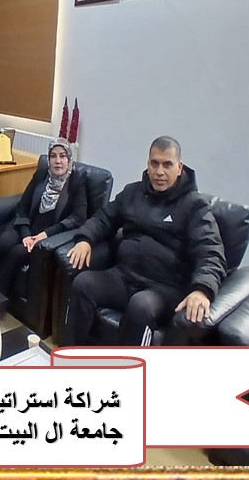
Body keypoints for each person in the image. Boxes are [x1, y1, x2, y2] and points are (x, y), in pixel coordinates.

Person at [61, 136, 226, 347]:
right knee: (83, 284)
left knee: (141, 306)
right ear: (148, 165)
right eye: (154, 163)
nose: (159, 172)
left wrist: (202, 289)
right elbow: (104, 218)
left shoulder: (195, 206)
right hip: (125, 276)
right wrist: (85, 239)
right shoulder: (133, 193)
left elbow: (211, 252)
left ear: (179, 167)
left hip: (165, 288)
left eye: (167, 164)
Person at [0, 139, 88, 297]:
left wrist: (44, 235)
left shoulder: (76, 182)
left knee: (17, 253)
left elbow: (78, 217)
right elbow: (22, 206)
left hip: (47, 236)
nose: (58, 161)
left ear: (69, 159)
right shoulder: (41, 175)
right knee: (4, 242)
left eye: (62, 156)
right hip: (25, 226)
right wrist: (25, 234)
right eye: (53, 156)